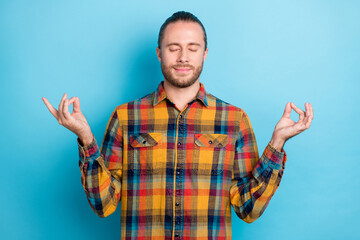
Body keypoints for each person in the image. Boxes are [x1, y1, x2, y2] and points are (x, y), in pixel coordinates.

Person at [42, 11, 313, 240]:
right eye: (174, 48)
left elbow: (248, 208)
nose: (183, 57)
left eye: (192, 48)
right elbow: (104, 204)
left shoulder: (234, 120)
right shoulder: (125, 117)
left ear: (205, 54)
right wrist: (86, 139)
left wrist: (277, 144)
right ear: (159, 54)